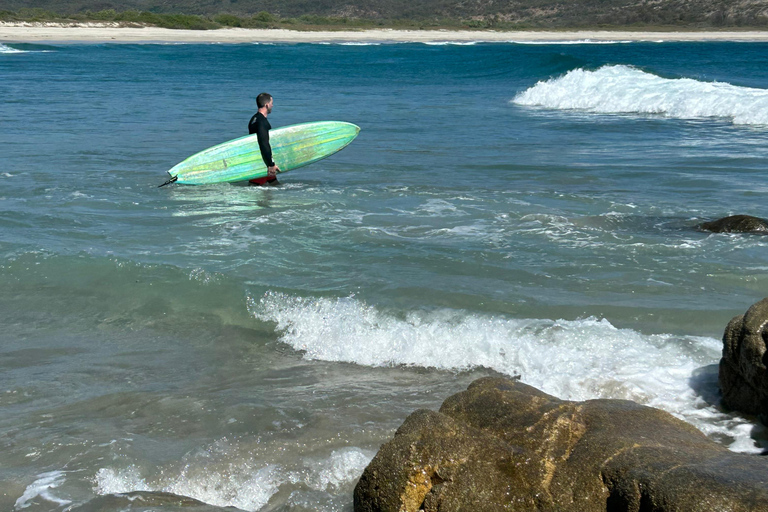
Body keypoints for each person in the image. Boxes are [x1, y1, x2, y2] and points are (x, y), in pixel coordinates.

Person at [248, 92, 280, 186]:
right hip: (262, 163)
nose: (272, 105)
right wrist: (270, 165)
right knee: (256, 188)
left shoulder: (254, 119)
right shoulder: (262, 122)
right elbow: (263, 142)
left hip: (261, 160)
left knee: (275, 187)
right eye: (271, 103)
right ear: (267, 105)